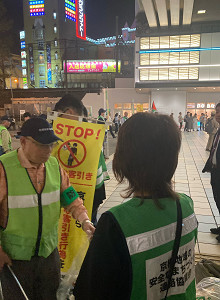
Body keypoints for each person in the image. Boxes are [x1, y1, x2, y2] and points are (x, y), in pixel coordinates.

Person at [74, 112, 198, 300]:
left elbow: (90, 292)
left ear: (126, 160)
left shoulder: (116, 223)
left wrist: (103, 245)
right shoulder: (186, 205)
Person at [0, 117, 95, 299]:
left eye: (51, 145)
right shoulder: (4, 168)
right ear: (24, 141)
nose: (48, 150)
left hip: (49, 255)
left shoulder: (54, 166)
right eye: (42, 145)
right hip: (14, 259)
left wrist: (85, 221)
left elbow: (71, 197)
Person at [54, 95, 109, 226]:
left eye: (58, 115)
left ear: (68, 112)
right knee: (87, 230)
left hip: (79, 193)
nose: (56, 120)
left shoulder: (67, 132)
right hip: (92, 193)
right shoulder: (91, 132)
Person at [203, 103, 220, 242]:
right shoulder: (219, 130)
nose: (218, 115)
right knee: (217, 198)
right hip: (215, 171)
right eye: (217, 112)